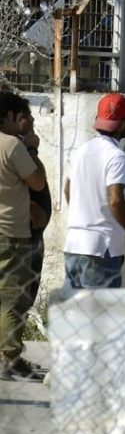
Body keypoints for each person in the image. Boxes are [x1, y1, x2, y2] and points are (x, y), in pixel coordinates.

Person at [64, 93, 125, 291]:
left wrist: (84, 215)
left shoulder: (80, 151)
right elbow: (116, 201)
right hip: (101, 250)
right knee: (100, 310)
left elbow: (68, 189)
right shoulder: (116, 156)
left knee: (74, 309)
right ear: (122, 124)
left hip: (73, 245)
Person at [0, 92, 47, 382]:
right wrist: (31, 149)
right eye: (20, 116)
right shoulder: (12, 145)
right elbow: (37, 182)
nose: (25, 122)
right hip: (10, 233)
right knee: (11, 297)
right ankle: (9, 358)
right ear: (8, 116)